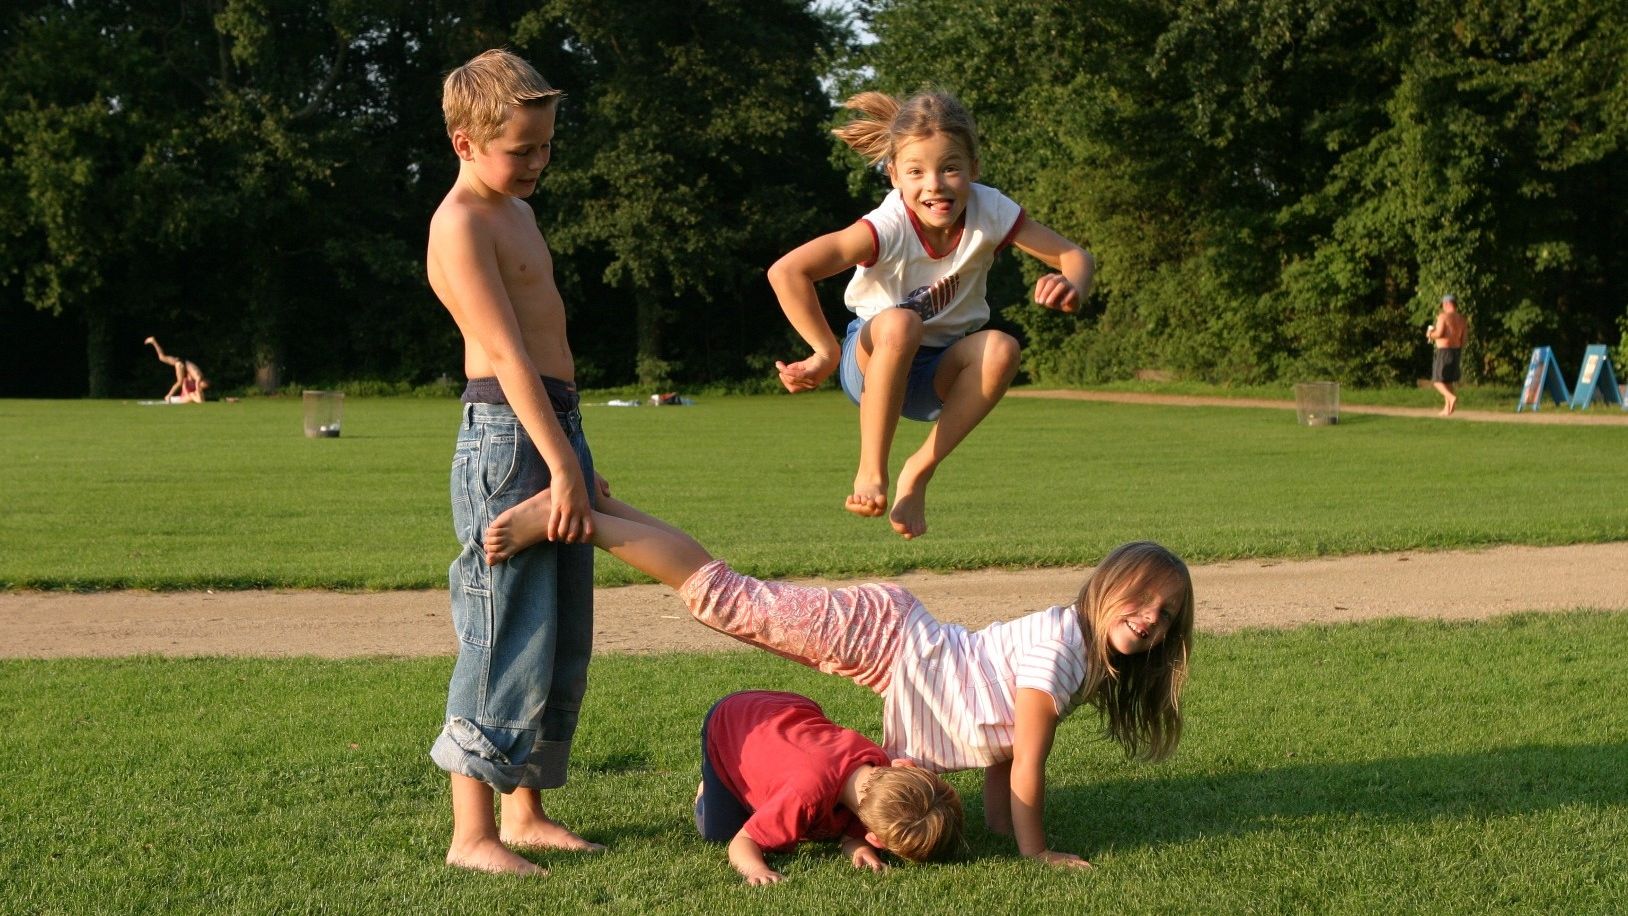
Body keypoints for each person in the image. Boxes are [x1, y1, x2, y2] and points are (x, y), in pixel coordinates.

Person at [483, 492, 1194, 868]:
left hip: (892, 639)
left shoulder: (1075, 646)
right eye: (1142, 599)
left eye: (1164, 617)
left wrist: (1002, 831)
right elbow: (1029, 763)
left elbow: (1002, 752)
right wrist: (1037, 854)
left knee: (735, 596)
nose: (1150, 619)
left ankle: (610, 505)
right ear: (1106, 587)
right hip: (887, 638)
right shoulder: (1062, 654)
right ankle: (577, 520)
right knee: (726, 599)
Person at [425, 48, 607, 876]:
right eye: (520, 150)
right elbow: (503, 353)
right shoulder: (460, 223)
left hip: (551, 425)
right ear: (465, 141)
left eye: (545, 146)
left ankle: (524, 811)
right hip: (508, 438)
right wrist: (558, 465)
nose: (537, 162)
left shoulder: (517, 211)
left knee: (560, 629)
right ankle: (473, 836)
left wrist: (576, 457)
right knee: (503, 627)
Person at [768, 90, 1096, 539]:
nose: (935, 185)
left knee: (1002, 347)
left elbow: (1074, 256)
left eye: (951, 168)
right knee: (903, 323)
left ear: (974, 169)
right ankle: (871, 469)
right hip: (868, 362)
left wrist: (1072, 284)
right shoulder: (887, 227)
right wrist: (824, 351)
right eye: (916, 172)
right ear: (894, 177)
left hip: (935, 375)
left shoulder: (992, 211)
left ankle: (918, 471)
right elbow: (788, 271)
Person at [695, 689, 964, 885]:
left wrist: (858, 849)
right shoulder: (805, 796)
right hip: (731, 723)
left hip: (788, 708)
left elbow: (851, 832)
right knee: (720, 833)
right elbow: (743, 841)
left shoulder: (878, 767)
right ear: (876, 837)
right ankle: (710, 789)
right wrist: (756, 869)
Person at [1426, 294, 1468, 416]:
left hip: (1444, 350)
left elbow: (1438, 333)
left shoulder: (1443, 317)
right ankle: (1448, 408)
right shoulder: (1462, 319)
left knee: (1437, 380)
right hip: (1456, 350)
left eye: (1443, 305)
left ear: (1447, 304)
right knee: (1448, 380)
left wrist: (1429, 334)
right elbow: (1464, 339)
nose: (1442, 307)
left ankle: (1451, 397)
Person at [143, 337, 208, 403]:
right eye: (204, 386)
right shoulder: (198, 378)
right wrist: (201, 399)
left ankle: (153, 341)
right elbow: (197, 388)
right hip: (181, 364)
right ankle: (168, 396)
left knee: (161, 357)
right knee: (179, 382)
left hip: (182, 361)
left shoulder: (197, 374)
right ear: (204, 381)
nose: (202, 387)